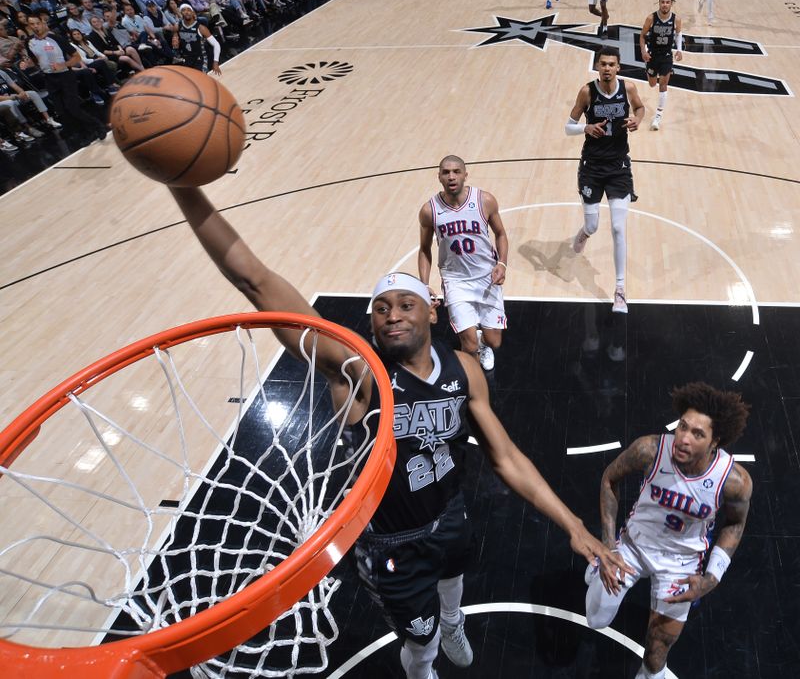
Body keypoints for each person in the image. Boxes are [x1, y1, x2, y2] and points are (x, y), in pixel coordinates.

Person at [167, 186, 629, 679]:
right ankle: (424, 669)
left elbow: (507, 458)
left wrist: (574, 526)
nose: (392, 314)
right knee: (420, 641)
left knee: (454, 583)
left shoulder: (464, 369)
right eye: (381, 308)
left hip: (450, 512)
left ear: (432, 310)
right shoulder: (358, 373)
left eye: (405, 304)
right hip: (391, 541)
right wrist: (183, 185)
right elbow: (255, 280)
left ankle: (453, 621)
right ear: (370, 323)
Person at [585, 382, 752, 679]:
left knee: (657, 649)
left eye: (697, 434)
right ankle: (599, 567)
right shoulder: (650, 450)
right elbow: (609, 479)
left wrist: (711, 578)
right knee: (595, 619)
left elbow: (735, 524)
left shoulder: (734, 481)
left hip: (682, 563)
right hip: (633, 547)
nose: (684, 438)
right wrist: (607, 549)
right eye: (683, 426)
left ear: (716, 442)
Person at [565, 46, 645, 313]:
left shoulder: (629, 88)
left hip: (619, 166)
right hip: (591, 167)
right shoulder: (587, 91)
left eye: (612, 64)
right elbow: (568, 127)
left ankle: (620, 289)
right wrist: (585, 127)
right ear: (597, 67)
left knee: (619, 229)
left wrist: (637, 120)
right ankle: (585, 232)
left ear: (619, 67)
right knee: (594, 224)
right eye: (603, 64)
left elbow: (641, 108)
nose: (607, 68)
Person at [418, 156, 508, 372]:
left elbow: (501, 234)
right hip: (455, 281)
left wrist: (502, 264)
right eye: (446, 172)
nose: (451, 176)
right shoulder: (429, 211)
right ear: (439, 176)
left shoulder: (484, 200)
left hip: (487, 277)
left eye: (456, 171)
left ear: (465, 175)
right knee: (469, 345)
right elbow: (424, 249)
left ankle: (483, 342)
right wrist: (423, 285)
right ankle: (476, 386)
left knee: (494, 341)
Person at [25, 15, 107, 140]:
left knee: (72, 107)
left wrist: (63, 64)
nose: (35, 26)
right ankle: (83, 134)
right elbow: (35, 59)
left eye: (37, 23)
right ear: (28, 26)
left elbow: (76, 57)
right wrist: (29, 64)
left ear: (42, 23)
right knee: (61, 111)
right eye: (32, 24)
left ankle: (98, 126)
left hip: (65, 76)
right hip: (49, 78)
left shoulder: (56, 38)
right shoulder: (29, 42)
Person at [640, 0, 683, 131]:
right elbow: (642, 36)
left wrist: (679, 50)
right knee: (652, 84)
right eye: (663, 2)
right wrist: (643, 52)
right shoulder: (651, 18)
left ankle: (658, 116)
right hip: (652, 55)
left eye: (667, 2)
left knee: (663, 85)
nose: (665, 4)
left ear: (671, 4)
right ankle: (649, 72)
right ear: (659, 3)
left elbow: (678, 34)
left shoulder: (676, 19)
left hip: (666, 56)